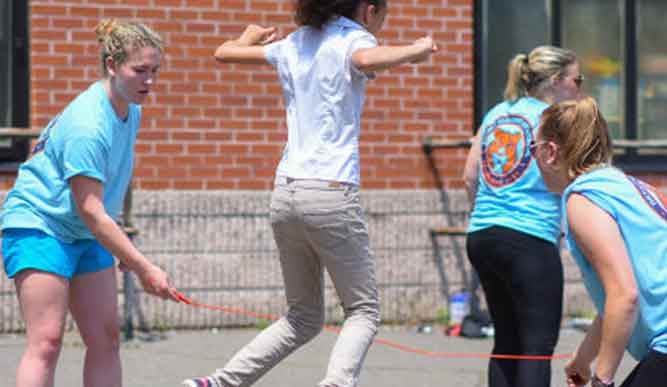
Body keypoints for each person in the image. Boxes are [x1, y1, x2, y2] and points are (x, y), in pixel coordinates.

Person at [182, 1, 437, 386]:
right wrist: (415, 51)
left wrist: (246, 37)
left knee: (302, 317)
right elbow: (367, 58)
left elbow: (224, 53)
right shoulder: (353, 37)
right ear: (368, 11)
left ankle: (216, 384)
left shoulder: (295, 42)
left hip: (286, 193)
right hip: (331, 191)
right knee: (363, 311)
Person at [1, 19, 180, 387]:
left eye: (154, 71)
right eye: (139, 71)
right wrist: (142, 265)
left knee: (106, 338)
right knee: (47, 340)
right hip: (40, 224)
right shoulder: (87, 124)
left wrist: (126, 253)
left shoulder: (132, 109)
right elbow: (91, 209)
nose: (149, 81)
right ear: (112, 66)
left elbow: (98, 208)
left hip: (86, 232)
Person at [462, 45, 583, 387]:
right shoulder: (554, 120)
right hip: (529, 237)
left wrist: (489, 212)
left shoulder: (497, 112)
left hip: (483, 233)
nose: (580, 88)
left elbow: (470, 176)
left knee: (507, 341)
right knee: (536, 346)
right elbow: (567, 178)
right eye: (578, 80)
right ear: (557, 81)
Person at [533, 96, 667, 387]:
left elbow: (624, 295)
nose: (533, 160)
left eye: (534, 149)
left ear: (551, 152)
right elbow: (613, 303)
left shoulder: (584, 200)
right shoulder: (625, 186)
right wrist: (583, 358)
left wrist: (603, 379)